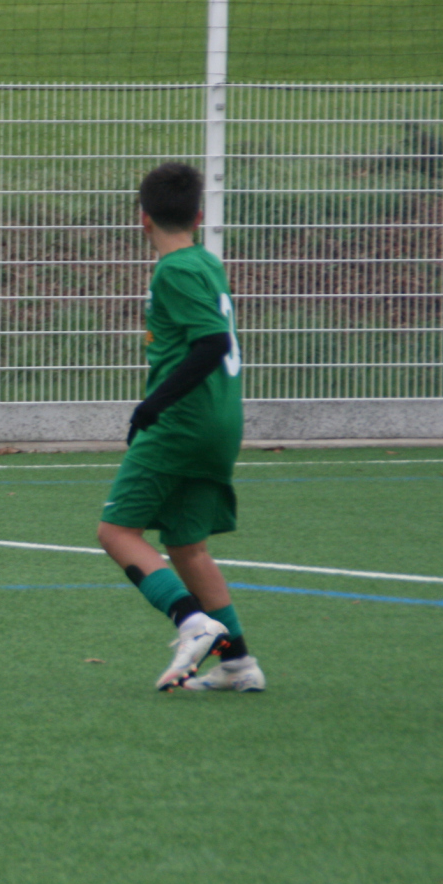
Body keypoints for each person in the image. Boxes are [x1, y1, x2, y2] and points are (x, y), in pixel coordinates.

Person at [97, 163, 262, 692]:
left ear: (142, 218)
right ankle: (238, 664)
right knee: (188, 545)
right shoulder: (206, 262)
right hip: (220, 421)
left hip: (182, 421)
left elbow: (211, 343)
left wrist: (152, 406)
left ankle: (191, 622)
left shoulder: (174, 271)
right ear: (199, 215)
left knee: (116, 532)